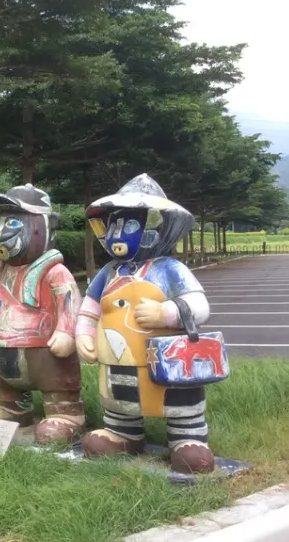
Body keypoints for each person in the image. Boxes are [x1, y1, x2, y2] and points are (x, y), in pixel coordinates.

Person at [75, 174, 216, 473]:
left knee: (177, 402)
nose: (117, 235)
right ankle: (124, 433)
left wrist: (167, 313)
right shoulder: (108, 272)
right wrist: (83, 333)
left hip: (167, 360)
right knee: (120, 402)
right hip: (117, 360)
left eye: (128, 226)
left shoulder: (169, 269)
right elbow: (89, 306)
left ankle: (186, 437)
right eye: (113, 226)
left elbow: (200, 306)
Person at [0, 184, 84, 445]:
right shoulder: (2, 270)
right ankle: (12, 409)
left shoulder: (54, 271)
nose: (1, 232)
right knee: (7, 391)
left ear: (45, 226)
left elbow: (69, 300)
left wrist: (67, 331)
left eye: (13, 222)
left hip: (45, 351)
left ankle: (65, 413)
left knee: (56, 388)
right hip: (4, 349)